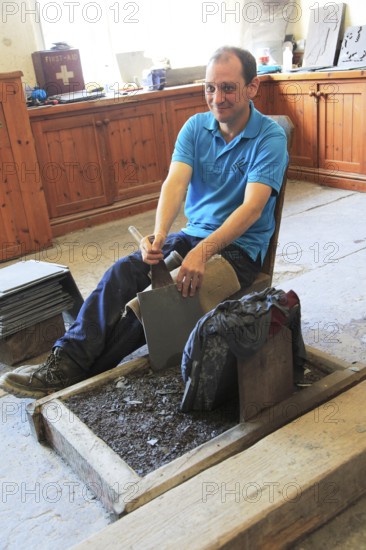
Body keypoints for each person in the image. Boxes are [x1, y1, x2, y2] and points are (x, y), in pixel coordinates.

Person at [0, 46, 288, 399]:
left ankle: (80, 375)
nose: (217, 98)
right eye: (210, 88)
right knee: (123, 272)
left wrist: (202, 254)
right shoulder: (197, 127)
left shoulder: (269, 138)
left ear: (252, 88)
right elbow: (175, 183)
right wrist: (160, 235)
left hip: (239, 251)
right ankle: (66, 361)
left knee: (155, 305)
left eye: (228, 88)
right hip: (192, 236)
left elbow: (252, 209)